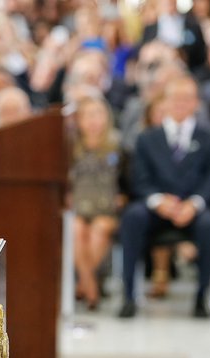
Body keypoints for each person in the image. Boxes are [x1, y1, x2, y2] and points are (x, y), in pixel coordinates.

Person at [118, 75, 210, 318]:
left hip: (194, 208)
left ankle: (202, 297)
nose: (181, 103)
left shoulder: (207, 138)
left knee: (208, 223)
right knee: (132, 217)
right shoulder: (147, 138)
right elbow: (139, 180)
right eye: (175, 98)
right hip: (156, 208)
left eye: (187, 98)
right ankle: (128, 296)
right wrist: (159, 201)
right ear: (165, 102)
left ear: (196, 103)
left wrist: (194, 203)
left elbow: (209, 179)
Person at [69, 96, 122, 310]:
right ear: (79, 120)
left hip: (108, 208)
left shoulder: (118, 145)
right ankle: (90, 283)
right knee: (76, 228)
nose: (94, 121)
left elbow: (128, 180)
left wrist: (123, 197)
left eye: (99, 114)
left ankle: (84, 283)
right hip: (77, 208)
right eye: (88, 115)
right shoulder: (71, 147)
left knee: (99, 229)